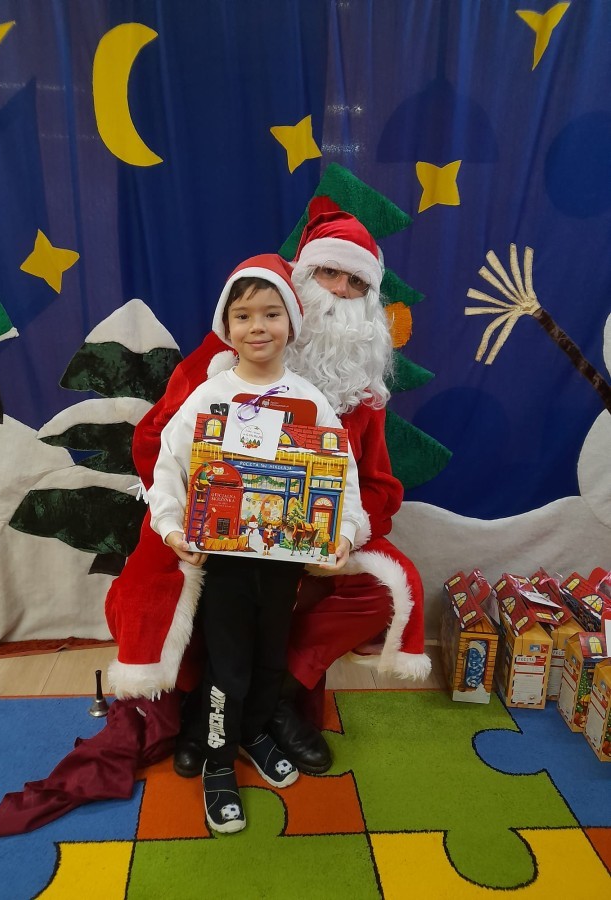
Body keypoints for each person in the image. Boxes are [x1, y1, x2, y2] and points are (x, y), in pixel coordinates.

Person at [105, 196, 429, 782]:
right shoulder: (227, 356)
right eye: (328, 272)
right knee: (158, 579)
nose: (341, 290)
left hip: (309, 529)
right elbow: (160, 441)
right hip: (214, 519)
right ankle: (198, 710)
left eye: (356, 281)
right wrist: (188, 516)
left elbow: (373, 482)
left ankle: (272, 699)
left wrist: (337, 536)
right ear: (300, 280)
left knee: (390, 588)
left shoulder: (357, 386)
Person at [146, 253, 365, 832]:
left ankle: (253, 731)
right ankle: (218, 761)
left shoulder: (310, 401)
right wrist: (171, 527)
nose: (258, 327)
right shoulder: (209, 397)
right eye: (243, 316)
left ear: (291, 321)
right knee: (229, 667)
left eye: (271, 313)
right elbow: (168, 466)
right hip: (224, 564)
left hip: (284, 561)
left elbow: (341, 474)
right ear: (227, 326)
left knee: (271, 657)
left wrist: (343, 532)